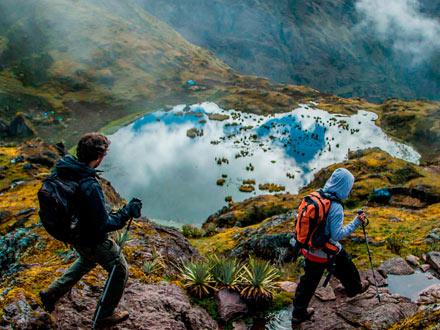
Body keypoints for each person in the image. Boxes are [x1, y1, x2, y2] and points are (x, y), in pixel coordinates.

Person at [39, 133, 142, 326]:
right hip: (92, 239)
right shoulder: (89, 184)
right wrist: (127, 212)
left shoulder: (66, 169)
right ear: (99, 156)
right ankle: (105, 315)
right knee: (119, 271)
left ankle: (52, 292)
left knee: (86, 261)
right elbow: (103, 224)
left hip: (73, 235)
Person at [291, 168, 366, 324]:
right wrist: (357, 222)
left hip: (310, 248)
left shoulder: (316, 195)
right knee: (346, 266)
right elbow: (337, 235)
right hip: (326, 251)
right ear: (344, 186)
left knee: (308, 283)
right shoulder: (336, 206)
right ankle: (355, 290)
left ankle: (298, 313)